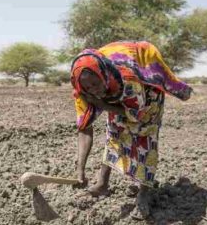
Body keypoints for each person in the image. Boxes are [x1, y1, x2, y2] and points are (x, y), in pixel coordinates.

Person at [70, 41, 192, 220]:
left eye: (96, 84)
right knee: (114, 132)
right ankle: (102, 184)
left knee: (145, 135)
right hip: (115, 93)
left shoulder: (127, 78)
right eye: (89, 88)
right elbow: (84, 129)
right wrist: (80, 168)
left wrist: (103, 104)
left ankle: (144, 192)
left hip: (146, 93)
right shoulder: (82, 91)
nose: (94, 91)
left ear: (102, 74)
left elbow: (138, 113)